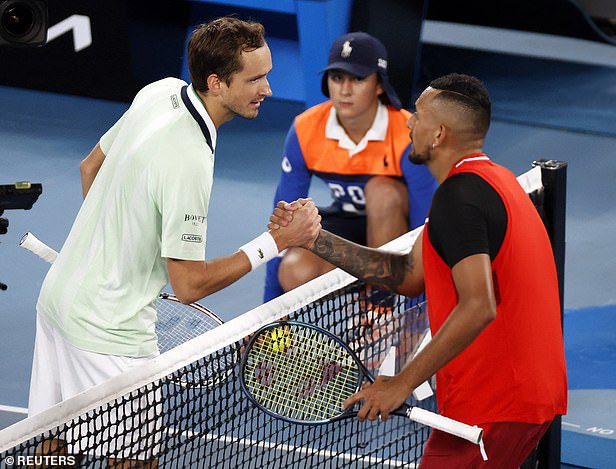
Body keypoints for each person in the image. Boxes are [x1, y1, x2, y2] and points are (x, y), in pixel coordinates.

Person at [28, 17, 321, 467]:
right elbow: (189, 286)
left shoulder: (159, 91)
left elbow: (91, 168)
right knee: (136, 460)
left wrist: (118, 254)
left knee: (50, 453)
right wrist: (275, 240)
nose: (268, 89)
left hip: (58, 301)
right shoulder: (190, 159)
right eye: (255, 79)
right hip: (111, 333)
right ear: (216, 83)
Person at [271, 73, 567, 467]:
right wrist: (315, 239)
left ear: (439, 133)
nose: (409, 121)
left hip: (492, 406)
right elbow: (408, 275)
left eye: (420, 115)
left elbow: (479, 305)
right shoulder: (493, 182)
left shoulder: (458, 198)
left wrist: (401, 382)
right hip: (522, 397)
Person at [263, 31, 436, 302]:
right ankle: (362, 292)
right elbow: (284, 222)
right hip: (345, 225)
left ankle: (381, 308)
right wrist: (267, 315)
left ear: (379, 85)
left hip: (398, 231)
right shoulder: (305, 130)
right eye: (337, 77)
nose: (345, 89)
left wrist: (418, 313)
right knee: (294, 270)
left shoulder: (407, 133)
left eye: (357, 79)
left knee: (382, 191)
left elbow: (425, 228)